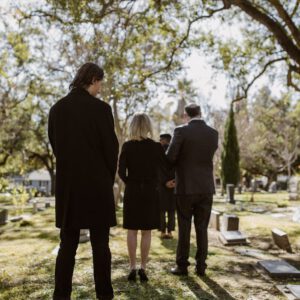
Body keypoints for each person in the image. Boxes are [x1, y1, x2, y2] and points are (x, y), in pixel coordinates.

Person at [48, 62, 119, 300]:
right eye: (100, 83)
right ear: (93, 79)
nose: (100, 88)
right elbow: (111, 149)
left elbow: (56, 145)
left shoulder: (57, 109)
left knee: (67, 244)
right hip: (97, 184)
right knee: (101, 245)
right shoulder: (102, 110)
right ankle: (104, 295)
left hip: (69, 186)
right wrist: (107, 177)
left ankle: (61, 296)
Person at [166, 103, 218, 277]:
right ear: (200, 113)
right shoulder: (213, 133)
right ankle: (201, 266)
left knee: (184, 227)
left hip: (186, 187)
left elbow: (171, 157)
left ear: (186, 115)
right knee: (202, 228)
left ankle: (182, 266)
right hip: (206, 187)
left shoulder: (181, 131)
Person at [118, 113, 168, 282]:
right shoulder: (156, 147)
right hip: (150, 192)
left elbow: (120, 171)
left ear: (133, 126)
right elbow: (165, 167)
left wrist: (130, 182)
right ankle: (143, 268)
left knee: (132, 231)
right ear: (147, 126)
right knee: (146, 231)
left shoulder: (127, 146)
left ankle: (132, 266)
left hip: (132, 191)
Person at [158, 133, 176, 239]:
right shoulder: (175, 152)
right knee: (171, 210)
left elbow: (157, 170)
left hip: (161, 186)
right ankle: (170, 232)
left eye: (160, 140)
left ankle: (162, 231)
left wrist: (165, 183)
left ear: (164, 140)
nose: (159, 141)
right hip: (174, 185)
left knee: (161, 210)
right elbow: (178, 167)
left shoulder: (158, 152)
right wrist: (174, 181)